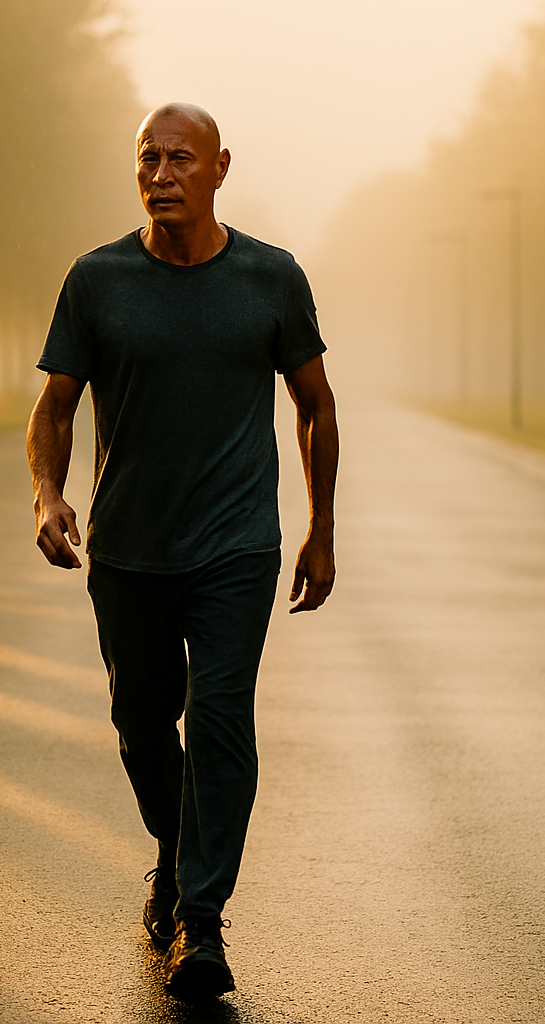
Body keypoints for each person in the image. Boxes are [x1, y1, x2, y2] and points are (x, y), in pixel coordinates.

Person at [25, 102, 338, 1001]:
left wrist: (320, 526)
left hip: (239, 547)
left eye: (181, 160)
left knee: (221, 720)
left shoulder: (271, 279)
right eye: (148, 159)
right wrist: (49, 494)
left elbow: (316, 405)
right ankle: (177, 845)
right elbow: (54, 407)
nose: (162, 175)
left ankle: (200, 924)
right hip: (129, 552)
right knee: (140, 728)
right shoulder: (97, 279)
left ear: (220, 168)